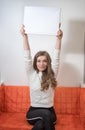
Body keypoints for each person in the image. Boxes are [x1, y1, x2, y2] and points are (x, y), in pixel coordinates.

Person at [20, 25, 63, 130]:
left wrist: (59, 39)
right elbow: (27, 57)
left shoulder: (52, 73)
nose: (41, 64)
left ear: (48, 63)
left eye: (44, 61)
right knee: (44, 115)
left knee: (40, 125)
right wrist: (24, 37)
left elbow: (56, 56)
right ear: (35, 62)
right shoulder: (31, 74)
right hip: (33, 113)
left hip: (50, 113)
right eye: (39, 61)